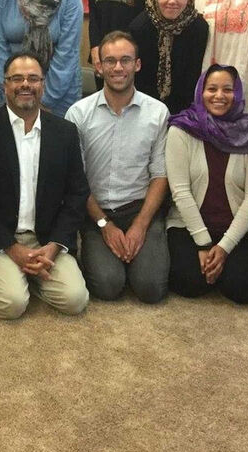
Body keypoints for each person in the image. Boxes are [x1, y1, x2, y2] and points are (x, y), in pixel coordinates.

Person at [0, 53, 89, 319]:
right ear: (4, 85)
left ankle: (27, 277)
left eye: (33, 78)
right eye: (17, 78)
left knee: (75, 300)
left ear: (43, 84)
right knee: (12, 304)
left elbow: (77, 195)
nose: (25, 84)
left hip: (46, 239)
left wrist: (54, 245)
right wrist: (12, 248)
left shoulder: (65, 132)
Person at [65, 31, 170, 303]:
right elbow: (76, 179)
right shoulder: (78, 114)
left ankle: (138, 254)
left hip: (140, 209)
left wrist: (140, 225)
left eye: (125, 60)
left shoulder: (157, 112)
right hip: (96, 213)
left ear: (137, 64)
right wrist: (104, 225)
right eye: (110, 61)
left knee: (150, 288)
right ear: (99, 66)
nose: (118, 68)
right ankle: (110, 256)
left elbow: (160, 175)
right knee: (108, 286)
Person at [165, 65, 248, 304]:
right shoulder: (181, 129)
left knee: (243, 289)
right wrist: (204, 243)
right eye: (212, 89)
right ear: (200, 92)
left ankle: (226, 266)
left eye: (228, 89)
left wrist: (224, 247)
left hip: (242, 228)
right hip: (189, 225)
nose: (219, 96)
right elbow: (180, 191)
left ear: (238, 93)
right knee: (188, 283)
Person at [129, 0, 208, 114]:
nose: (172, 1)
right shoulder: (139, 27)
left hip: (187, 113)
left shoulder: (199, 28)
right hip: (145, 111)